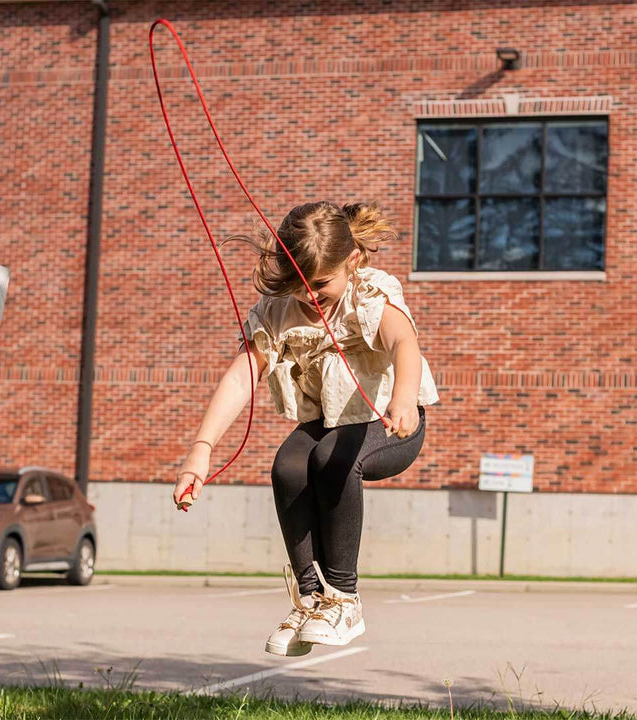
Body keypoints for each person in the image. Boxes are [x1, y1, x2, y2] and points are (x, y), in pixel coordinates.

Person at [173, 200, 439, 656]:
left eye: (319, 285)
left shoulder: (368, 292)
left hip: (390, 422)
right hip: (329, 423)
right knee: (289, 466)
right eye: (299, 287)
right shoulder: (279, 309)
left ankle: (343, 598)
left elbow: (403, 341)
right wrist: (201, 448)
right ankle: (310, 599)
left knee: (332, 457)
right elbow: (242, 376)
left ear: (350, 261)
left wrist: (403, 397)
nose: (310, 297)